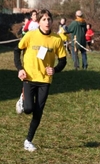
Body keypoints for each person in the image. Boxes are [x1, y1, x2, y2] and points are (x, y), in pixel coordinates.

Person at [14, 9, 67, 152]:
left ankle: (28, 141)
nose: (47, 22)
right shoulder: (31, 35)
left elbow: (63, 61)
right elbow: (17, 50)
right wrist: (20, 68)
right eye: (44, 19)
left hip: (45, 80)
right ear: (39, 22)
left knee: (38, 111)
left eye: (49, 19)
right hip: (29, 77)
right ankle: (23, 98)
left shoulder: (57, 39)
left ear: (52, 21)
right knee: (29, 109)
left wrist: (55, 69)